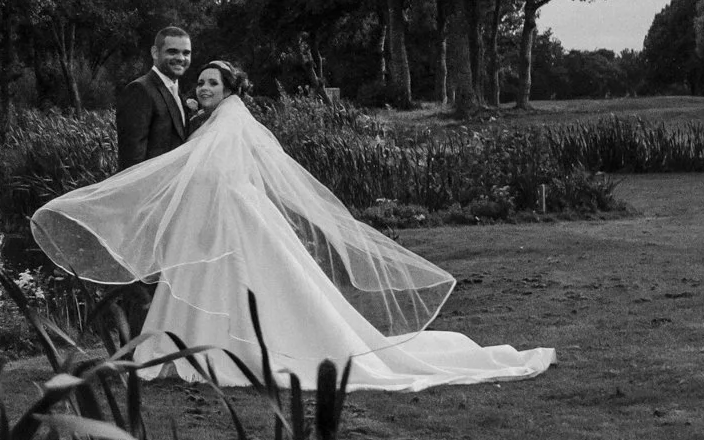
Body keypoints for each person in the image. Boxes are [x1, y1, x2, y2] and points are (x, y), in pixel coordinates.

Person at [33, 60, 553, 391]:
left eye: (212, 82)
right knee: (212, 282)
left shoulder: (231, 119)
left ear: (230, 87)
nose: (203, 89)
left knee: (250, 286)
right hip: (218, 217)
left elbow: (209, 172)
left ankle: (229, 352)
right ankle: (185, 352)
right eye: (201, 84)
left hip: (233, 217)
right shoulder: (215, 122)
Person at [116, 26, 194, 170]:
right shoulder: (139, 90)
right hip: (149, 190)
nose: (181, 58)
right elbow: (131, 161)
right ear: (155, 53)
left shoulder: (176, 92)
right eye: (172, 52)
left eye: (186, 53)